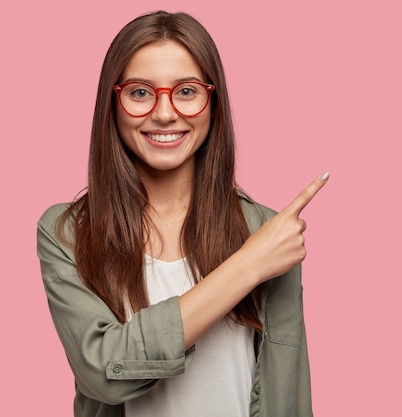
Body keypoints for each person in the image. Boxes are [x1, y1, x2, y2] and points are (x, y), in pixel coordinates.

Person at [36, 10, 328, 417]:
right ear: (113, 102)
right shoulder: (68, 231)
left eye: (186, 91)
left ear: (213, 102)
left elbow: (288, 394)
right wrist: (247, 266)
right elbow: (103, 372)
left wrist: (261, 255)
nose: (164, 113)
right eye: (140, 92)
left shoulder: (265, 231)